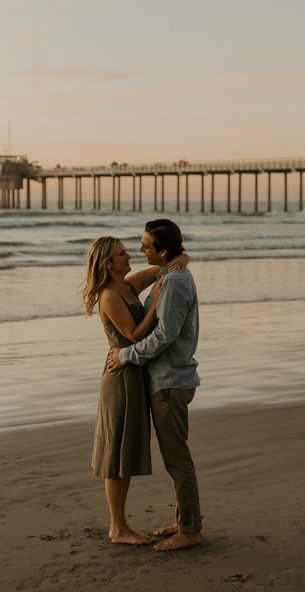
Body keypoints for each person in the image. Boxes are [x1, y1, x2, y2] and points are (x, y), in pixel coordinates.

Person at [83, 236, 189, 545]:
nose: (130, 255)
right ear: (107, 263)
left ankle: (121, 526)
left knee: (126, 451)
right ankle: (118, 528)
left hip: (134, 373)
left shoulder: (128, 285)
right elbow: (132, 334)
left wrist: (183, 259)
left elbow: (170, 264)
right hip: (120, 377)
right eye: (121, 253)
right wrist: (156, 303)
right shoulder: (109, 296)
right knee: (117, 454)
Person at [107, 219, 203, 552]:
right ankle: (185, 519)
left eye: (147, 246)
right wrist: (183, 257)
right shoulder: (168, 275)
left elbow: (165, 335)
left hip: (169, 382)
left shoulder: (174, 282)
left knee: (177, 459)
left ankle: (190, 530)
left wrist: (126, 356)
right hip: (166, 379)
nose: (140, 250)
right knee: (175, 457)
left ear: (162, 251)